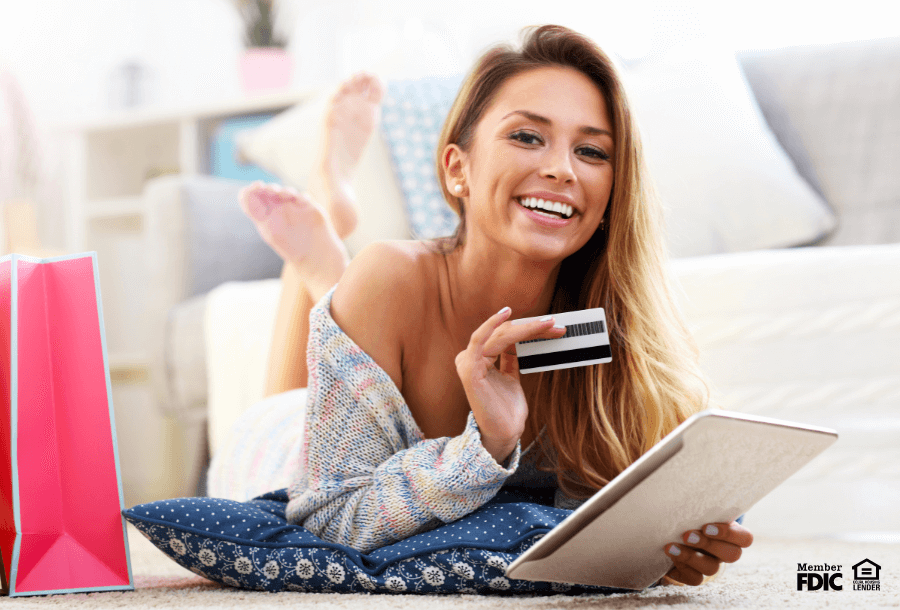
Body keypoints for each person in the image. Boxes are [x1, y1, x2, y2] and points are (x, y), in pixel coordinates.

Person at [238, 25, 753, 588]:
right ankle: (324, 226)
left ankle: (325, 263)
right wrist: (485, 445)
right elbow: (327, 517)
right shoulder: (392, 276)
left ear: (611, 193)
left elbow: (623, 506)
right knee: (291, 395)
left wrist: (666, 546)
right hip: (283, 446)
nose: (563, 169)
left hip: (382, 403)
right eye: (528, 137)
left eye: (591, 151)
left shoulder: (602, 327)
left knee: (339, 310)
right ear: (457, 169)